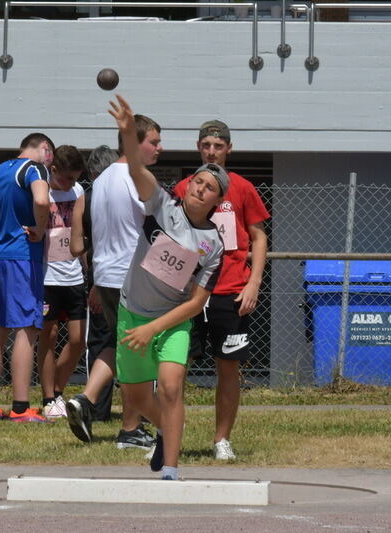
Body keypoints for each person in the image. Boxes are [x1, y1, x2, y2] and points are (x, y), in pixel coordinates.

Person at [109, 95, 225, 480]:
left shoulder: (213, 245)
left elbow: (195, 305)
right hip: (132, 312)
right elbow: (137, 169)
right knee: (140, 398)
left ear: (217, 201)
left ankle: (171, 471)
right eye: (198, 181)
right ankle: (167, 429)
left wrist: (155, 328)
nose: (201, 189)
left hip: (172, 322)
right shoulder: (161, 205)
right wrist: (128, 133)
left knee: (172, 388)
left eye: (210, 187)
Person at [172, 119, 270, 460]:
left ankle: (221, 439)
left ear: (229, 148)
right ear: (198, 148)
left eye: (218, 146)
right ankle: (169, 433)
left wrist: (254, 282)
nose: (211, 151)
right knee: (176, 363)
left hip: (231, 290)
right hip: (189, 291)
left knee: (228, 367)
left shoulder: (242, 188)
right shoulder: (186, 186)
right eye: (206, 146)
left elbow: (258, 237)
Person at [65, 116, 163, 449]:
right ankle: (131, 429)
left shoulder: (102, 179)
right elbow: (160, 232)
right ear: (135, 144)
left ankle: (87, 399)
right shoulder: (138, 180)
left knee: (118, 345)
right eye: (154, 141)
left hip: (105, 276)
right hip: (132, 279)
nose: (159, 148)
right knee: (139, 353)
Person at [0, 132, 54, 423]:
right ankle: (20, 407)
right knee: (27, 328)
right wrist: (39, 229)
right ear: (43, 148)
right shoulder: (34, 168)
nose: (50, 163)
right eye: (50, 155)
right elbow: (42, 201)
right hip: (22, 256)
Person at [69, 145, 121, 424]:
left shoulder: (86, 199)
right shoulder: (129, 195)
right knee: (139, 343)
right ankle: (143, 408)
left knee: (101, 342)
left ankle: (97, 409)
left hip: (100, 277)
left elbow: (76, 246)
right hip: (131, 280)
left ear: (92, 172)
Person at [36, 145, 88, 418]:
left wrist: (86, 269)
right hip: (46, 275)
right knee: (49, 334)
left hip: (73, 275)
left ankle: (57, 389)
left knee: (79, 339)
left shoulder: (78, 192)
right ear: (53, 169)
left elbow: (81, 234)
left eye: (75, 178)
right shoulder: (41, 189)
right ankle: (48, 398)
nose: (71, 184)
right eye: (66, 178)